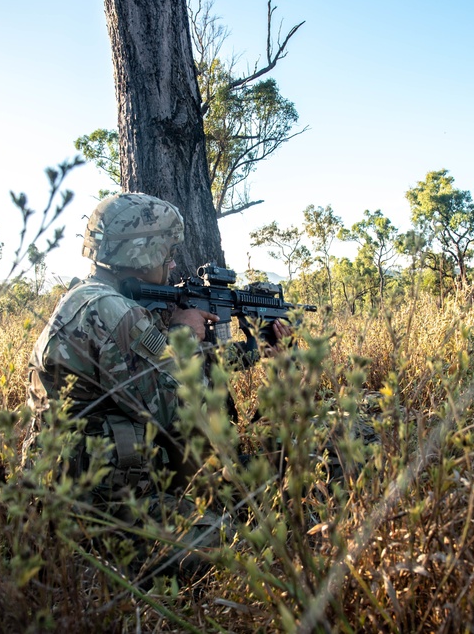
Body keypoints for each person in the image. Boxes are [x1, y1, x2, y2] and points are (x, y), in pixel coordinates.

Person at [26, 192, 287, 576]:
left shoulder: (92, 297)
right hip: (97, 511)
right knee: (230, 539)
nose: (172, 260)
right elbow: (182, 413)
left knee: (248, 490)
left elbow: (146, 378)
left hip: (86, 492)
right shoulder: (110, 311)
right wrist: (183, 335)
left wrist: (253, 351)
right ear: (140, 251)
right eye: (166, 250)